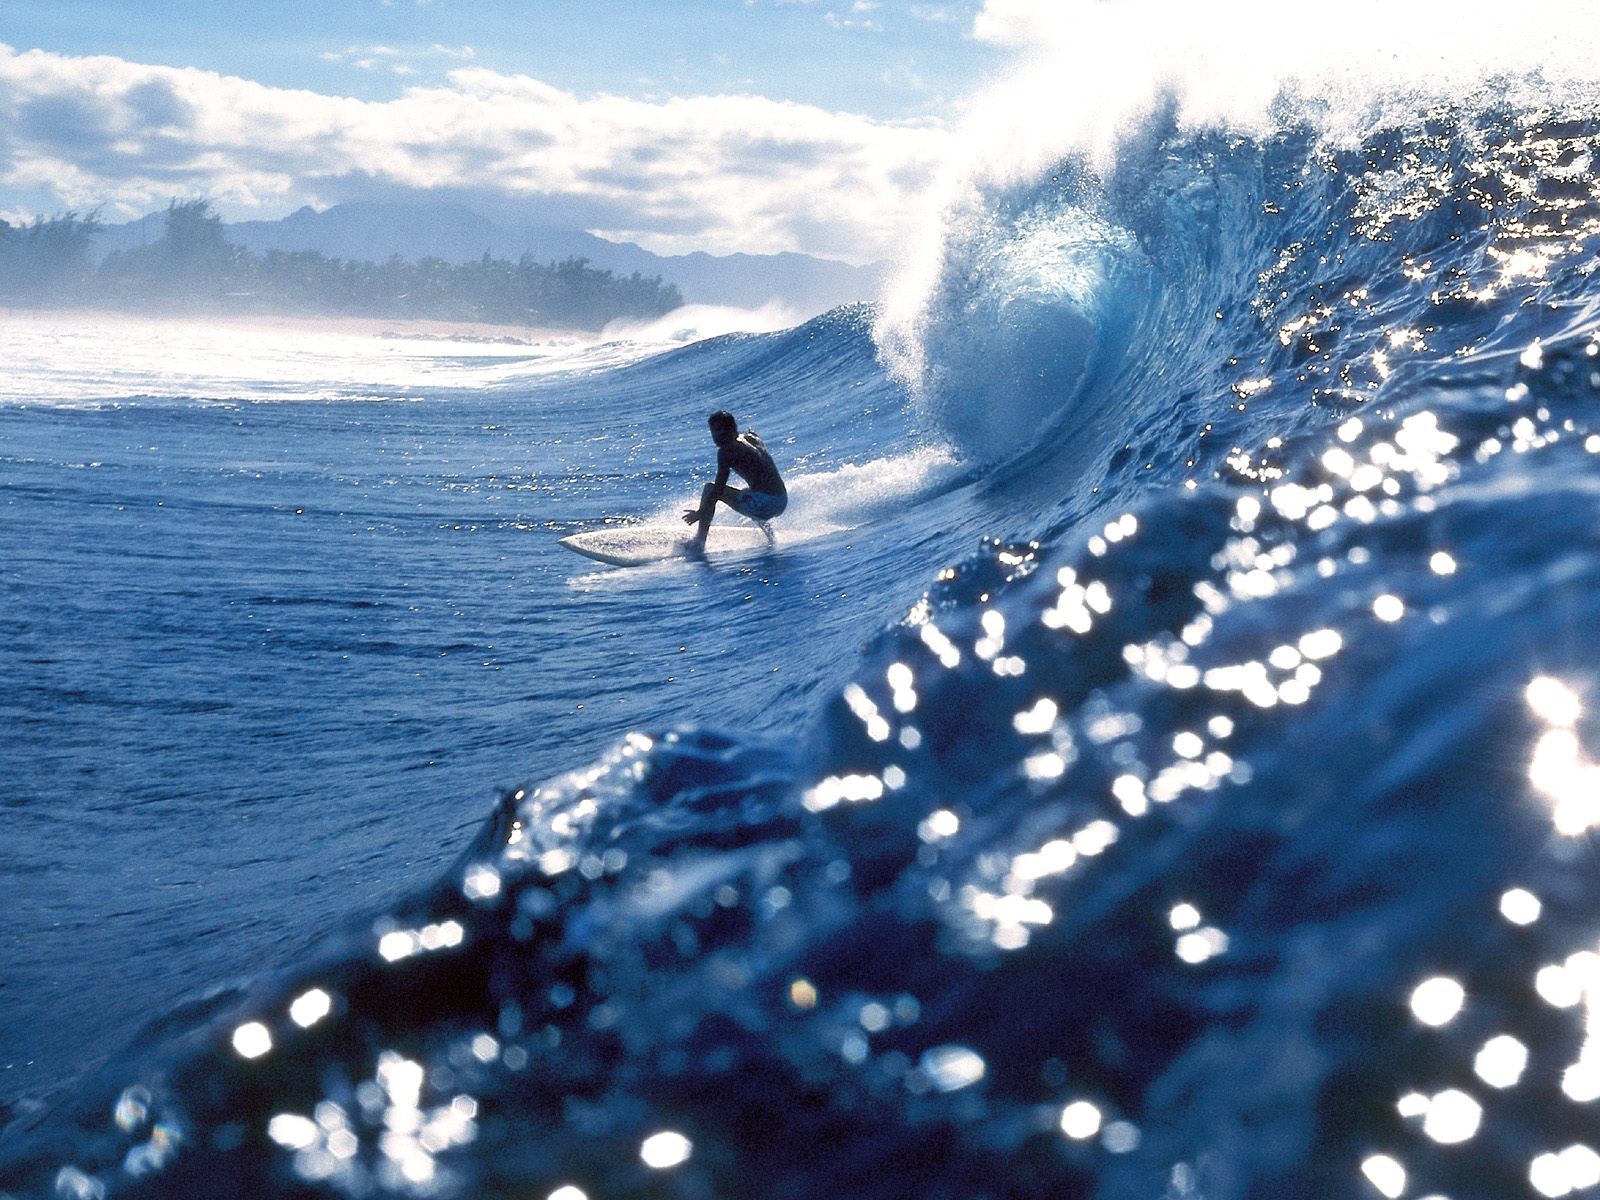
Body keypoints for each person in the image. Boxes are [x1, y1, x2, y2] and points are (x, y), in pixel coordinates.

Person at [682, 409, 787, 548]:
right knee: (748, 492)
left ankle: (699, 542)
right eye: (714, 431)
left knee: (710, 489)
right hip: (781, 500)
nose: (717, 436)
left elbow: (718, 489)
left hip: (765, 504)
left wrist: (700, 513)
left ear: (732, 429)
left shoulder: (726, 451)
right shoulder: (751, 439)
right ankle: (771, 537)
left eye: (721, 430)